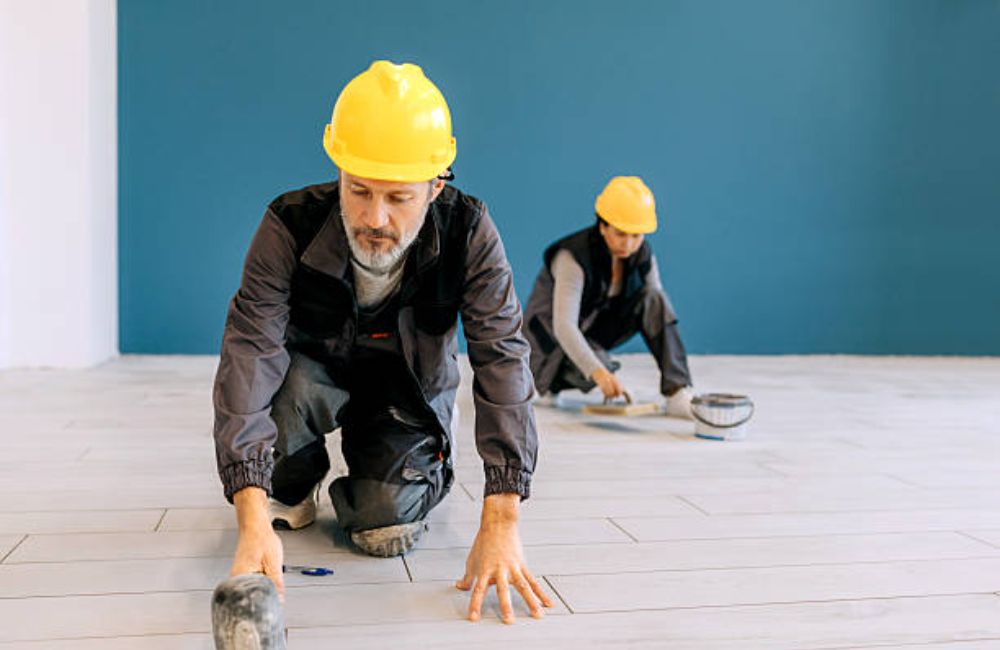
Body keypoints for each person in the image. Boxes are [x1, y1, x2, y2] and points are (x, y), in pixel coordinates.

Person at [212, 60, 552, 624]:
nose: (374, 217)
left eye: (398, 198)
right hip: (312, 380)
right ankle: (292, 483)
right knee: (276, 446)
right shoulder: (288, 224)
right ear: (339, 171)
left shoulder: (469, 232)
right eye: (359, 190)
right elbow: (249, 351)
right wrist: (249, 514)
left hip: (406, 392)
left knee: (384, 529)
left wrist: (502, 518)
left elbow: (502, 357)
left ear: (436, 185)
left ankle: (399, 458)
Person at [523, 176, 695, 417]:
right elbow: (564, 327)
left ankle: (677, 392)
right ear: (603, 227)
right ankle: (547, 385)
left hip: (591, 332)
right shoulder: (572, 258)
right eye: (621, 234)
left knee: (654, 298)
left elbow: (656, 310)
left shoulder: (642, 254)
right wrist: (599, 372)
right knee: (600, 366)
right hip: (550, 347)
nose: (629, 244)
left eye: (637, 235)